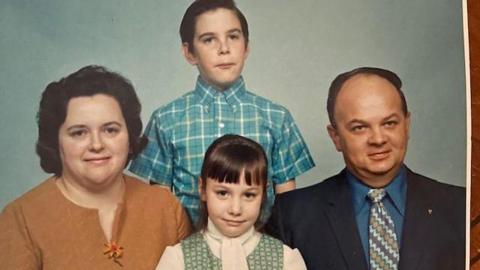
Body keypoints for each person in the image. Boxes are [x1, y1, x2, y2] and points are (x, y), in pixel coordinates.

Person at [129, 0, 315, 225]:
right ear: (189, 53)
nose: (224, 48)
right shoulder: (166, 120)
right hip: (188, 250)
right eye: (209, 39)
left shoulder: (276, 118)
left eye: (233, 37)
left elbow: (288, 209)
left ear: (246, 46)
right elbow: (160, 209)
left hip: (260, 249)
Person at [266, 67, 466, 270]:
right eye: (360, 127)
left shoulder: (461, 207)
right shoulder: (290, 215)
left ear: (407, 125)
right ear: (335, 137)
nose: (378, 139)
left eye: (389, 123)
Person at [0, 65, 191, 269]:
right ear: (55, 141)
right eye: (79, 133)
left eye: (110, 130)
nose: (97, 145)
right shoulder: (21, 219)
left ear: (129, 136)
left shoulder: (166, 209)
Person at [156, 134, 307, 269]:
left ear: (263, 194)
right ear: (203, 189)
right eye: (222, 193)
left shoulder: (286, 260)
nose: (235, 209)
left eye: (249, 195)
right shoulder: (177, 259)